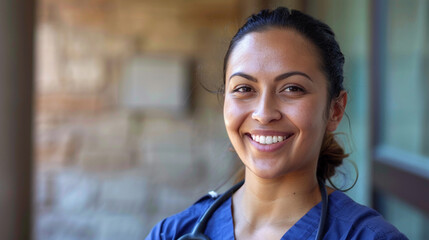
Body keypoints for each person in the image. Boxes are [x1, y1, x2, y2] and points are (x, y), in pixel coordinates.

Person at [146, 7, 408, 240]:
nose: (263, 113)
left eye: (292, 88)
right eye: (244, 88)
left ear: (335, 109)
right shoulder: (172, 233)